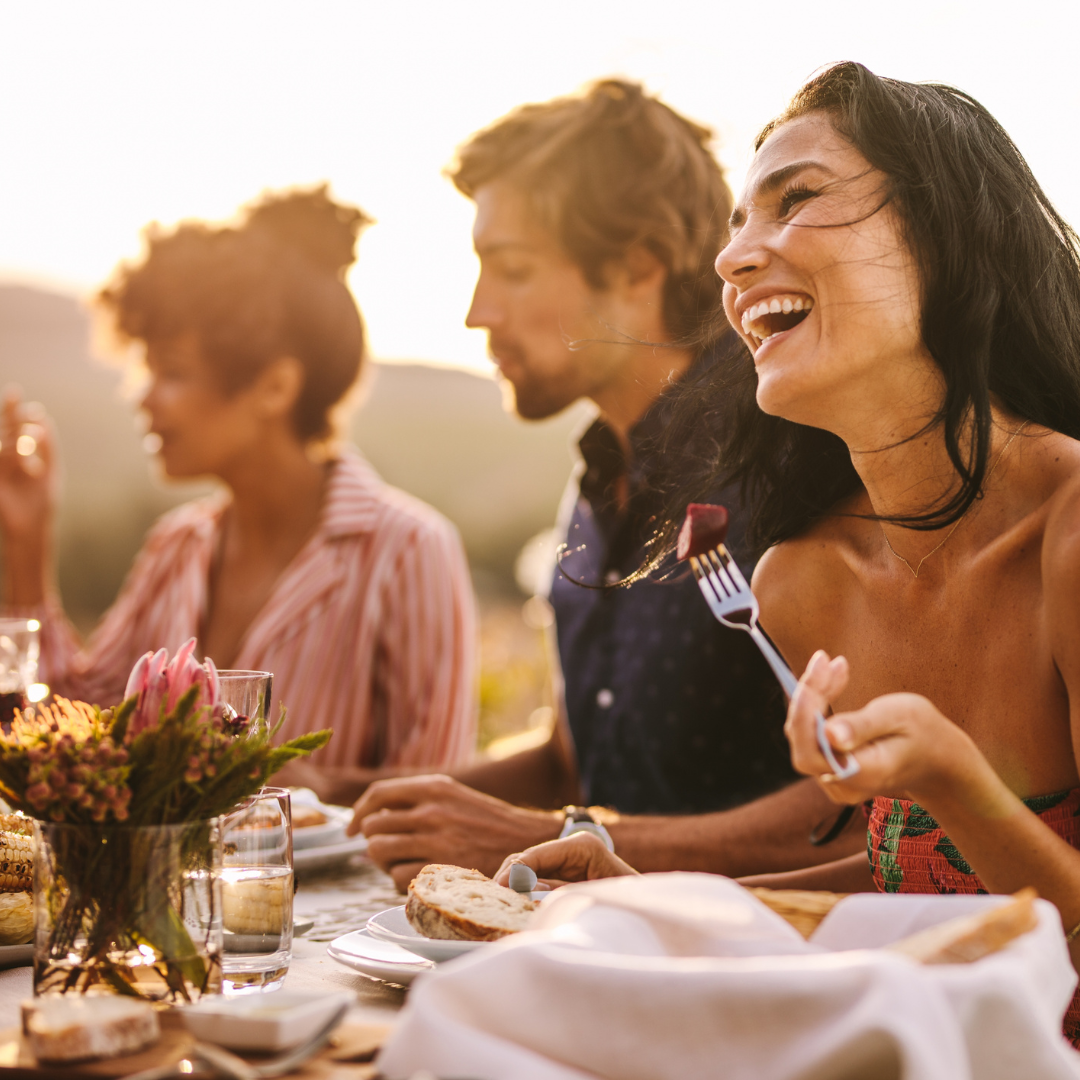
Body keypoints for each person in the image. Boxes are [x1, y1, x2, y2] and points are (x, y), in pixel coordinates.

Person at [490, 62, 1080, 1042]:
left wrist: (952, 778)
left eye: (796, 201)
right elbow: (913, 885)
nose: (735, 261)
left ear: (943, 233)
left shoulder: (1070, 532)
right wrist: (651, 896)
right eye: (733, 229)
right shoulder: (801, 581)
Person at [345, 80, 866, 890]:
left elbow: (870, 805)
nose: (478, 311)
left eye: (510, 269)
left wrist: (562, 834)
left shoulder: (800, 458)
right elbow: (571, 756)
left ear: (636, 269)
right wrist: (356, 804)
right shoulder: (595, 480)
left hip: (762, 970)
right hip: (601, 955)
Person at [0, 186, 477, 776]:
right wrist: (26, 542)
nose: (144, 397)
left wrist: (311, 787)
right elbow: (81, 730)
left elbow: (437, 794)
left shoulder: (409, 550)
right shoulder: (176, 545)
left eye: (172, 372)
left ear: (275, 387)